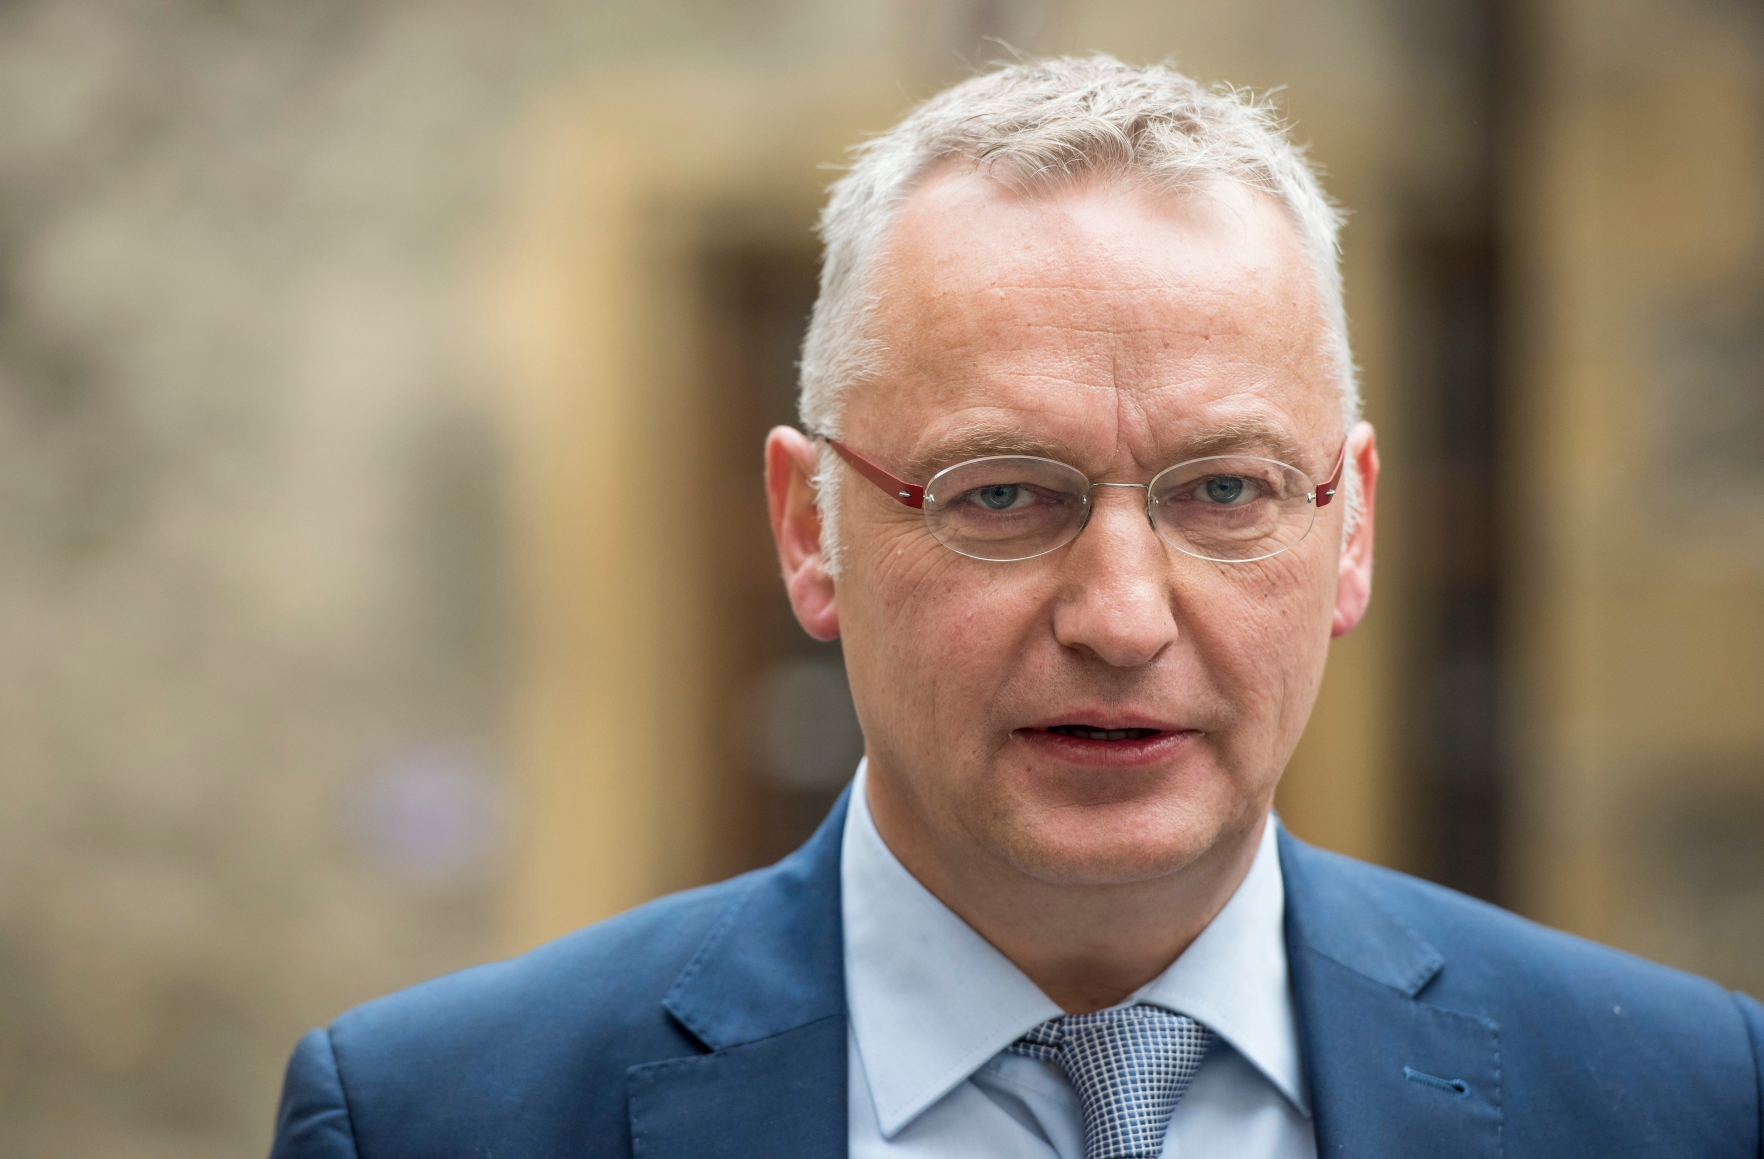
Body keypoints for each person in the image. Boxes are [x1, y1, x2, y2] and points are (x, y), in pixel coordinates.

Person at [268, 57, 1763, 1159]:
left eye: (1224, 491)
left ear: (1350, 524)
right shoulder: (435, 1122)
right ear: (811, 530)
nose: (1120, 617)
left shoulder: (1686, 1102)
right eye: (1000, 494)